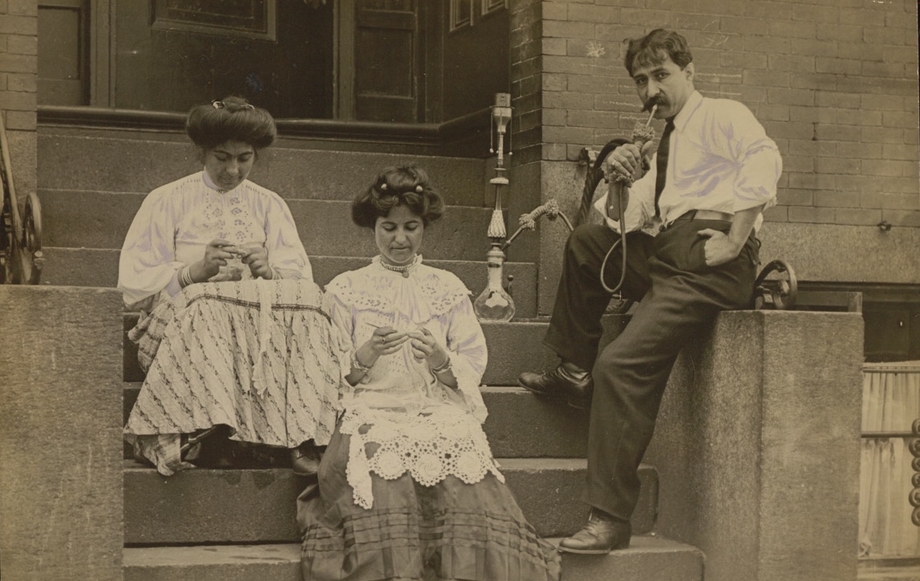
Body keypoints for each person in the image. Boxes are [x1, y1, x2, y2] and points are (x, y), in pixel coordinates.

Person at [518, 29, 783, 554]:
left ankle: (611, 518)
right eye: (641, 80)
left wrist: (735, 238)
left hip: (709, 259)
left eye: (661, 75)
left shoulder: (723, 115)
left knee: (620, 366)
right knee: (589, 243)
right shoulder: (662, 145)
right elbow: (618, 223)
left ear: (689, 72)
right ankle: (574, 370)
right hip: (669, 252)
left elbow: (765, 158)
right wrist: (619, 181)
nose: (651, 89)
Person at [297, 165, 561, 581]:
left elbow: (472, 363)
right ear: (373, 227)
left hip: (434, 408)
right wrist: (363, 356)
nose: (400, 239)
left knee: (463, 460)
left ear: (424, 228)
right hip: (371, 410)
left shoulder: (448, 287)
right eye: (389, 227)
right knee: (380, 472)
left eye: (411, 227)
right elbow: (324, 375)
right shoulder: (345, 289)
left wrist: (441, 359)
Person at [119, 96, 338, 476]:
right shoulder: (167, 199)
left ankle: (301, 433)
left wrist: (267, 271)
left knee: (312, 301)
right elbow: (133, 285)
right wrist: (193, 272)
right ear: (202, 151)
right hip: (184, 321)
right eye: (222, 157)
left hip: (256, 331)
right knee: (207, 301)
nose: (233, 170)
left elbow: (299, 278)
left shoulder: (269, 205)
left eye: (244, 158)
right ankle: (211, 430)